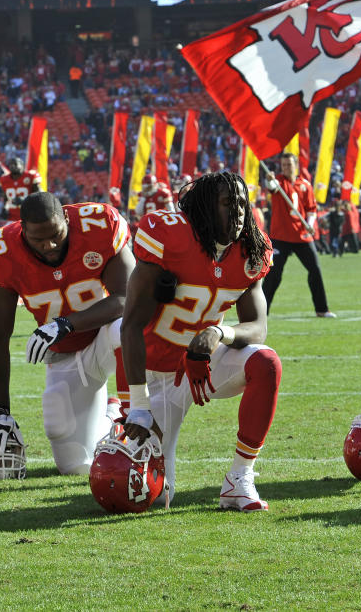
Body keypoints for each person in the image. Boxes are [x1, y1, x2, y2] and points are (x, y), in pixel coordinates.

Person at [121, 171, 282, 511]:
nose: (238, 212)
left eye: (242, 203)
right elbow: (131, 324)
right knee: (150, 496)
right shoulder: (169, 235)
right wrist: (139, 404)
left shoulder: (252, 248)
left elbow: (258, 326)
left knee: (265, 362)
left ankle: (240, 478)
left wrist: (221, 332)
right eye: (227, 203)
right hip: (156, 374)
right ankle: (118, 413)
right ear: (206, 208)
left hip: (201, 365)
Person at [0, 192, 134, 476]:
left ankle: (135, 417)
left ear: (67, 221)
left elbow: (128, 298)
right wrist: (0, 409)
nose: (49, 244)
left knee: (127, 327)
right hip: (68, 354)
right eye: (38, 239)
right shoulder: (0, 252)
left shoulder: (99, 224)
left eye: (56, 235)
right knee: (75, 465)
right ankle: (112, 416)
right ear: (22, 230)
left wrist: (66, 324)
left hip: (107, 335)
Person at [261, 154, 336, 318]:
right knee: (274, 274)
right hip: (280, 236)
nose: (286, 167)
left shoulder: (305, 185)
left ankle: (322, 309)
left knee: (315, 270)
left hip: (302, 236)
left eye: (289, 164)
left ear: (296, 165)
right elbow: (272, 187)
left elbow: (311, 209)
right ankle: (261, 312)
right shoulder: (279, 182)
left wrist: (310, 222)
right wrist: (269, 179)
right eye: (284, 165)